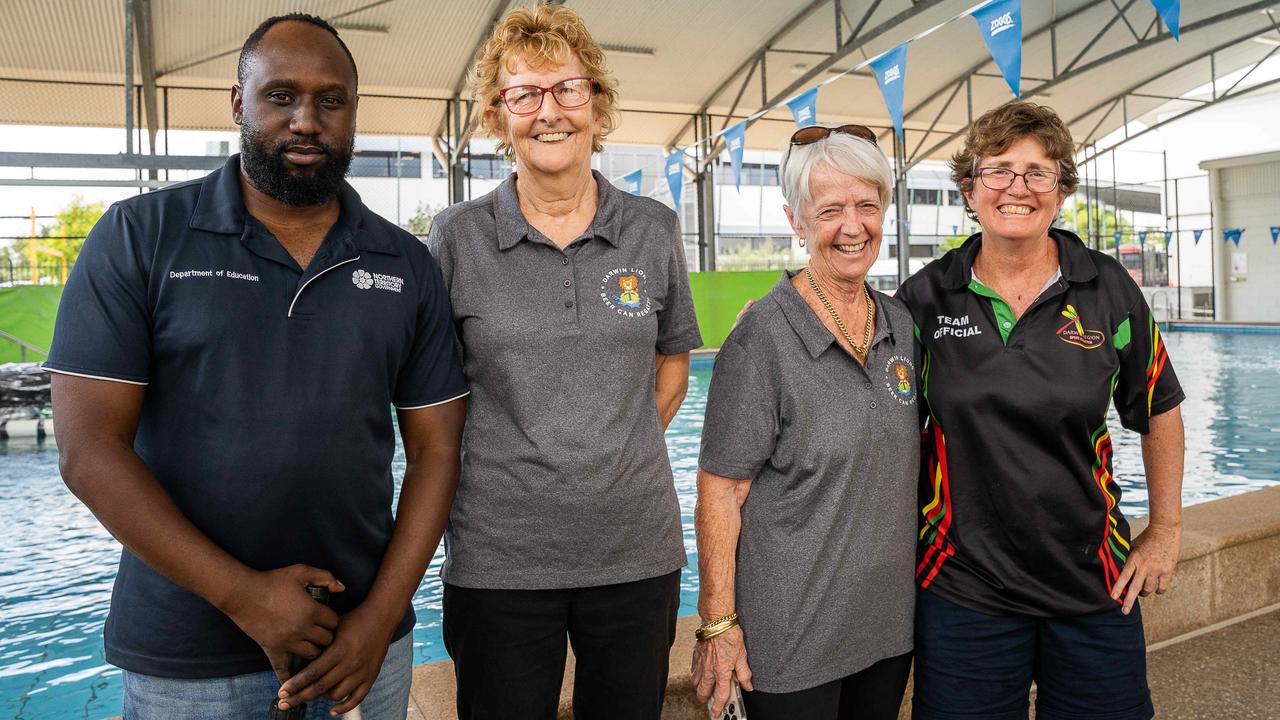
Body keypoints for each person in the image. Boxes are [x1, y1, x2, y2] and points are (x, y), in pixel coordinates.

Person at [44, 14, 467, 719]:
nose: (307, 120)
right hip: (189, 656)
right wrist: (245, 597)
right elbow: (89, 453)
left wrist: (380, 618)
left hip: (358, 648)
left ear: (353, 113)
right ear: (239, 103)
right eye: (281, 96)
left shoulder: (404, 262)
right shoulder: (140, 236)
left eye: (331, 101)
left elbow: (436, 451)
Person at [425, 6, 702, 720]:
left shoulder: (653, 228)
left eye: (568, 90)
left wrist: (619, 443)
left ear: (598, 106)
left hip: (634, 550)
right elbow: (432, 393)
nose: (549, 113)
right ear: (498, 116)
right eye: (525, 95)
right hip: (500, 558)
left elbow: (675, 359)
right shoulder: (458, 238)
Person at [897, 101, 1185, 720]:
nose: (1017, 188)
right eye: (999, 170)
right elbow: (877, 422)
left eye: (1038, 172)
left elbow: (1159, 406)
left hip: (1093, 584)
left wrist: (1166, 529)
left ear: (1061, 190)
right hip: (963, 587)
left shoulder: (1109, 290)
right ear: (970, 189)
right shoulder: (923, 298)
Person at [693, 125, 919, 720]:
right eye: (831, 209)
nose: (853, 226)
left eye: (867, 206)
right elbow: (721, 492)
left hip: (887, 629)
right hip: (789, 639)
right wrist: (718, 623)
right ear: (796, 222)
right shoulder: (762, 335)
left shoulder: (900, 326)